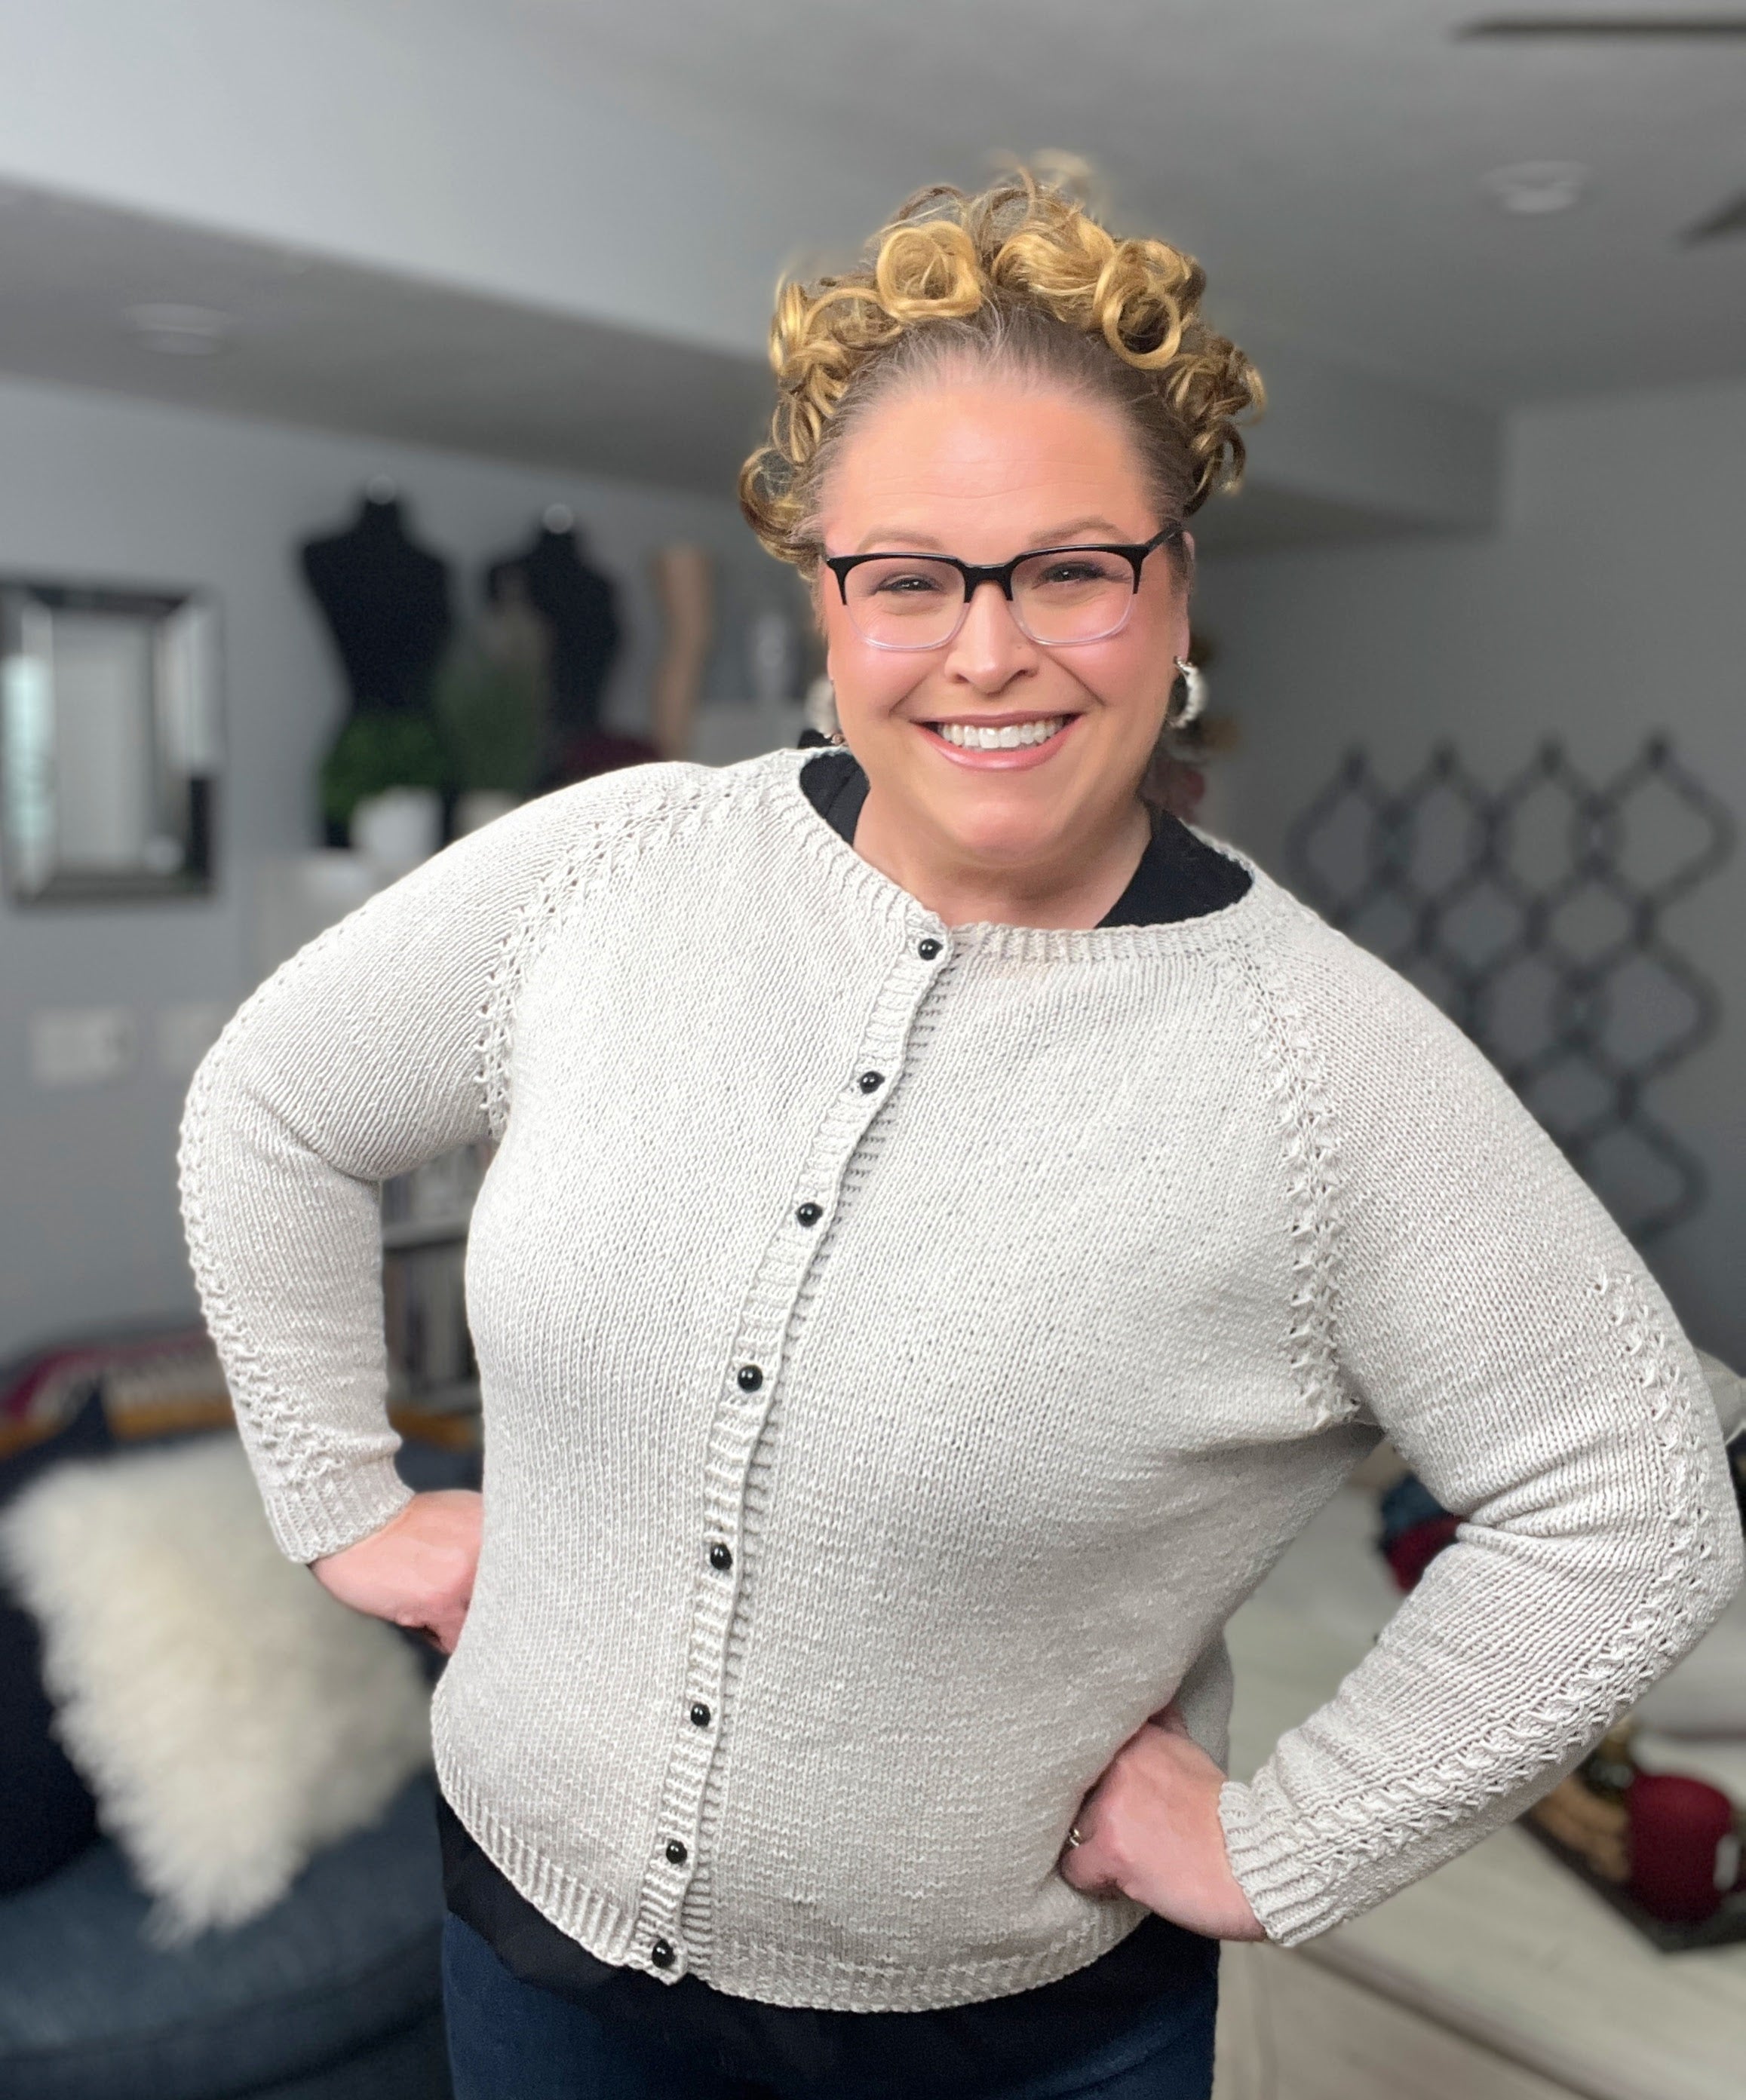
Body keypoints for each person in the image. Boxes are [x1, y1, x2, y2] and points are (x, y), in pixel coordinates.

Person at [178, 173, 1741, 2100]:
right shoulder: (612, 870)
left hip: (1015, 2049)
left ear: (1176, 591)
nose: (986, 652)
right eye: (909, 577)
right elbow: (274, 1105)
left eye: (1070, 570)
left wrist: (1283, 1841)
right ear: (826, 598)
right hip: (528, 1957)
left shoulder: (1322, 1065)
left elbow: (1632, 1499)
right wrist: (344, 1500)